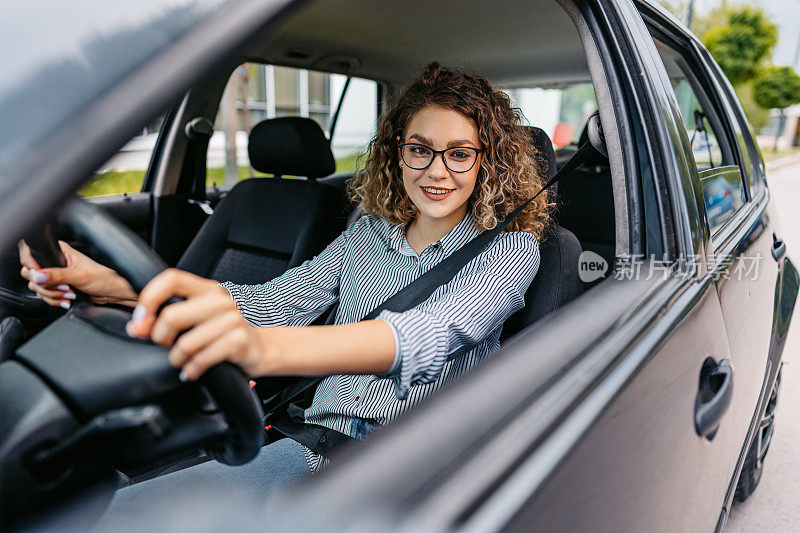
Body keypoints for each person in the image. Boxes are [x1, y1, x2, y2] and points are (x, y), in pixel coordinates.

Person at [18, 62, 551, 501]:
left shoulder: (510, 248)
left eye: (459, 153)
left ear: (488, 162)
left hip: (409, 466)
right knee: (122, 509)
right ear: (398, 152)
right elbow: (277, 301)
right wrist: (110, 283)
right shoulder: (370, 230)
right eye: (419, 149)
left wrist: (262, 349)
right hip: (312, 441)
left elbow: (425, 336)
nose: (436, 171)